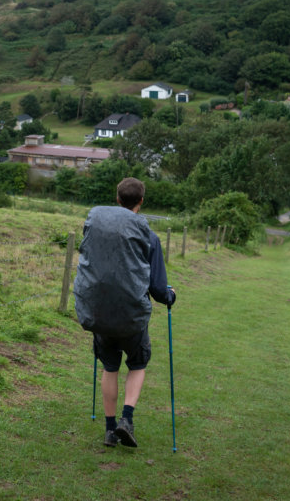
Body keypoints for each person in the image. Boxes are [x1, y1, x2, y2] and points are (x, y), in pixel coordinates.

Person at [73, 177, 176, 448]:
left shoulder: (97, 230)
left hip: (99, 312)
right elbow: (156, 287)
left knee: (110, 367)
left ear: (117, 199)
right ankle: (126, 420)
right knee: (138, 364)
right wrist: (170, 296)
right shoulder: (149, 236)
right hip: (131, 317)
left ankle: (109, 430)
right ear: (141, 202)